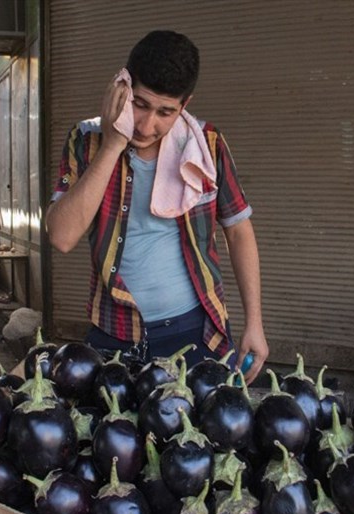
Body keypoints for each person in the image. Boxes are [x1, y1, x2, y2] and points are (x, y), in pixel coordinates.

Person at [46, 30, 269, 384]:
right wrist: (112, 145)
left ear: (185, 104)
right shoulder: (86, 141)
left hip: (197, 331)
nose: (148, 125)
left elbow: (239, 230)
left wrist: (254, 322)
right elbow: (61, 236)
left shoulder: (206, 145)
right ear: (122, 86)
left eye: (166, 112)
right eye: (140, 104)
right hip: (113, 333)